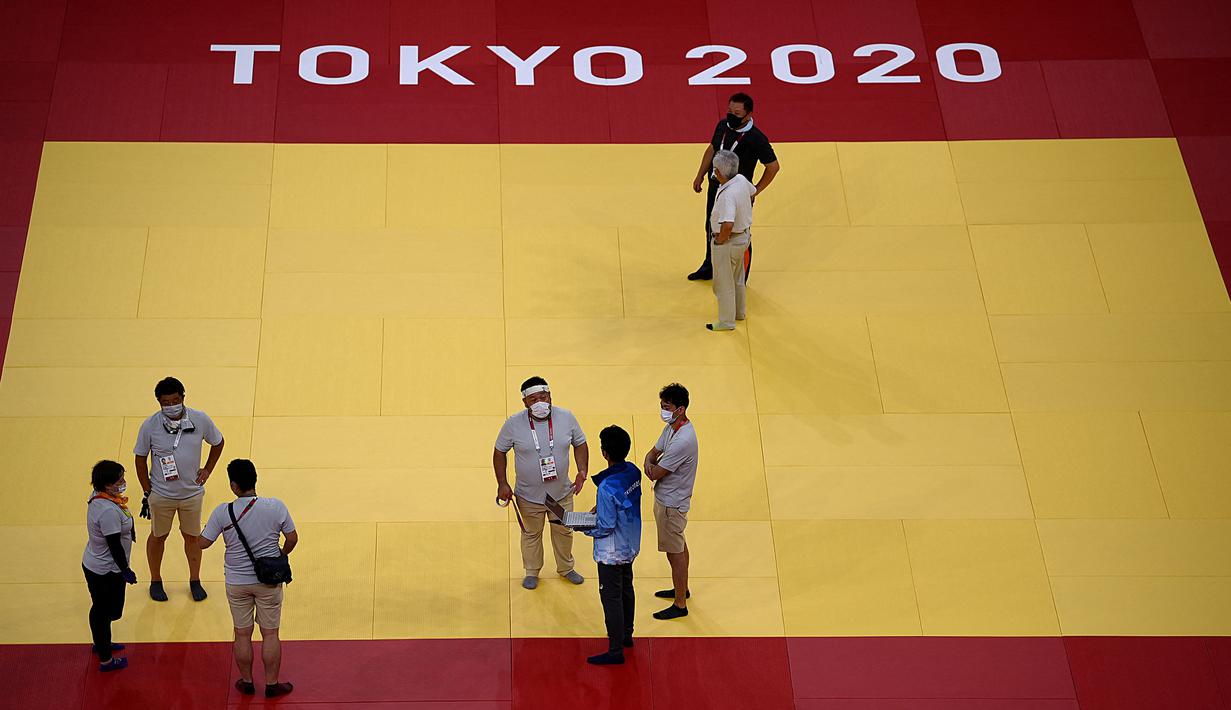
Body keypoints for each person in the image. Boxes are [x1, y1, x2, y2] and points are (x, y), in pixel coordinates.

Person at [199, 459, 297, 699]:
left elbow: (203, 543)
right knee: (270, 633)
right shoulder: (276, 507)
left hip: (236, 582)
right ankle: (272, 684)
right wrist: (280, 555)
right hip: (269, 581)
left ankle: (247, 681)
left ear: (233, 486)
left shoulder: (222, 511)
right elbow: (292, 538)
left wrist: (189, 533)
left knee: (242, 633)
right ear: (255, 480)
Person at [133, 376, 225, 602]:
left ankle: (195, 580)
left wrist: (207, 470)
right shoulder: (150, 425)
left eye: (175, 400)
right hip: (161, 494)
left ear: (183, 398)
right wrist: (148, 490)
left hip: (191, 494)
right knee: (158, 536)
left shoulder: (200, 419)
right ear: (158, 402)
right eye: (165, 402)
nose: (171, 406)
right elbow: (140, 458)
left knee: (192, 537)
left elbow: (218, 442)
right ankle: (155, 580)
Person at [494, 376, 589, 590]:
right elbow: (499, 452)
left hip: (561, 493)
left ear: (550, 396)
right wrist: (502, 483)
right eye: (534, 399)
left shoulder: (566, 417)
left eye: (543, 397)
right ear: (525, 402)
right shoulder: (513, 424)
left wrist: (582, 471)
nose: (540, 403)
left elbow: (580, 443)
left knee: (564, 531)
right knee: (530, 534)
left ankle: (566, 568)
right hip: (528, 495)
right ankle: (532, 571)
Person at [688, 92, 780, 281]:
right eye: (729, 110)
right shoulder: (723, 126)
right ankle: (710, 265)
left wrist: (755, 190)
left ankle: (740, 275)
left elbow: (773, 167)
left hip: (738, 194)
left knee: (739, 232)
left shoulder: (756, 138)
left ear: (748, 114)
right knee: (712, 226)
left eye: (737, 113)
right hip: (716, 187)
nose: (731, 115)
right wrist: (700, 175)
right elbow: (712, 148)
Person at [581, 425, 643, 665]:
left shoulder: (606, 487)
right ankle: (627, 635)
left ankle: (615, 650)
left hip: (611, 552)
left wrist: (584, 527)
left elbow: (605, 526)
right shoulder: (633, 472)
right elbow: (625, 501)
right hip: (630, 544)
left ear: (604, 452)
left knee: (612, 598)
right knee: (627, 588)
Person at [642, 383, 699, 620]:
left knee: (675, 552)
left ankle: (680, 604)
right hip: (668, 499)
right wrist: (650, 463)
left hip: (671, 504)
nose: (663, 411)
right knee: (679, 545)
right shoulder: (672, 427)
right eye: (661, 406)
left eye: (667, 407)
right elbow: (652, 454)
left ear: (680, 408)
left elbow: (654, 472)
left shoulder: (683, 439)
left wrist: (650, 466)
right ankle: (681, 588)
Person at [82, 460, 138, 672]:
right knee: (106, 612)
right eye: (119, 480)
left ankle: (102, 641)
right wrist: (125, 570)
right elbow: (114, 545)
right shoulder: (107, 511)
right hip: (105, 571)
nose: (123, 482)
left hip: (99, 565)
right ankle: (105, 659)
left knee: (104, 610)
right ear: (106, 485)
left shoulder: (100, 497)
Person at [706, 149, 756, 332]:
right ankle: (739, 312)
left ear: (719, 172)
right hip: (743, 237)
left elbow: (727, 224)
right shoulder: (741, 180)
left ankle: (726, 321)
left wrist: (719, 240)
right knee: (737, 278)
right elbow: (753, 192)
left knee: (723, 283)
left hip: (729, 242)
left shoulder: (728, 196)